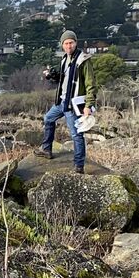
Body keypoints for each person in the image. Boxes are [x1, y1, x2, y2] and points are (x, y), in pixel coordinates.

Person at [41, 30, 97, 173]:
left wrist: (88, 105)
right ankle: (46, 149)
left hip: (73, 104)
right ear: (62, 45)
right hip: (62, 102)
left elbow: (91, 84)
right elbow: (63, 79)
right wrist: (52, 76)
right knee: (48, 119)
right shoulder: (65, 59)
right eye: (66, 43)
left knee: (76, 134)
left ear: (75, 43)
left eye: (71, 42)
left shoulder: (83, 60)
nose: (68, 46)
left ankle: (79, 166)